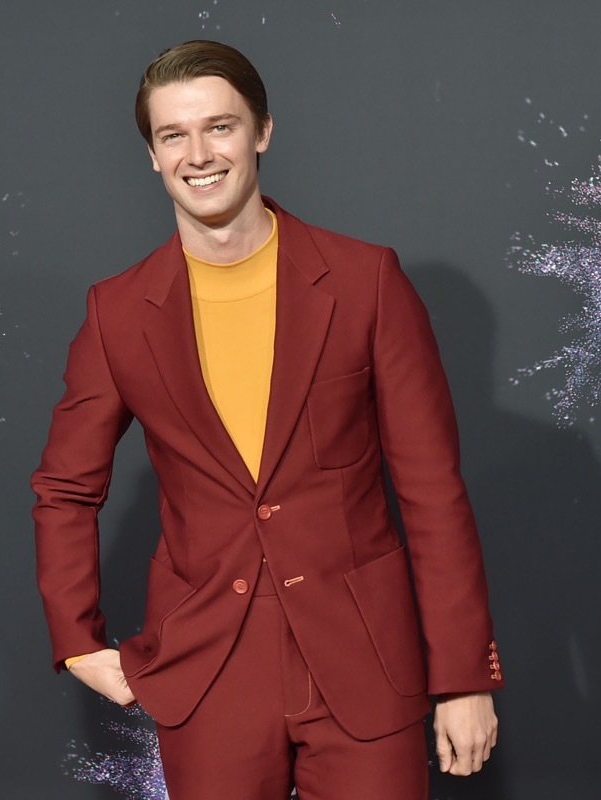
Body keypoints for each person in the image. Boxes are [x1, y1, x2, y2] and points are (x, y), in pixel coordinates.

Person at [33, 39, 502, 799]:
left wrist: (462, 677)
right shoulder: (117, 313)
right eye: (172, 135)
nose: (198, 154)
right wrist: (77, 643)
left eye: (219, 127)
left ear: (262, 131)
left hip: (363, 663)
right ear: (152, 155)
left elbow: (432, 493)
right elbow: (63, 489)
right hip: (208, 671)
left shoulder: (364, 281)